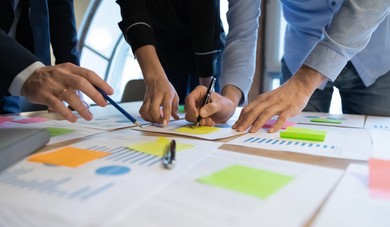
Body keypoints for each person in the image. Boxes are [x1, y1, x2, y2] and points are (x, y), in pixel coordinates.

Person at [232, 0, 390, 133]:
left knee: (376, 146)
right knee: (288, 143)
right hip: (301, 54)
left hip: (375, 56)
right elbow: (242, 29)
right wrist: (231, 96)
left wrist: (303, 83)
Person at [117, 0, 260, 126]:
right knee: (168, 110)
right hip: (163, 49)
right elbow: (133, 10)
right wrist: (154, 76)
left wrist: (220, 96)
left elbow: (235, 30)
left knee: (210, 111)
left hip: (209, 48)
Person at [0, 0, 112, 122]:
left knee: (11, 129)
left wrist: (71, 78)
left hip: (12, 80)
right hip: (17, 67)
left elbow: (61, 9)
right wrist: (28, 72)